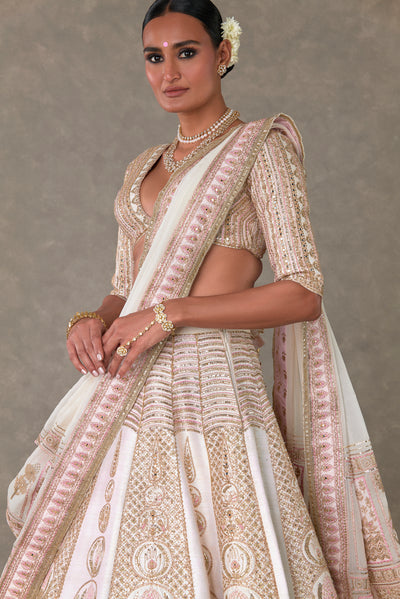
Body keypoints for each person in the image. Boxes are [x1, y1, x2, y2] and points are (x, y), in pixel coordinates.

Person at [1, 1, 399, 597]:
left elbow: (302, 292)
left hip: (216, 392)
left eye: (186, 53)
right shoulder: (141, 168)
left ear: (223, 53)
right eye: (153, 57)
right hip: (128, 390)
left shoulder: (259, 149)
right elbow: (124, 290)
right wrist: (88, 320)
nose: (169, 72)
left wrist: (173, 313)